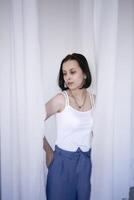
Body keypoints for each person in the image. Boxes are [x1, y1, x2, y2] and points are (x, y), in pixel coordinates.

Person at [43, 53, 96, 200]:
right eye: (64, 73)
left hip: (87, 165)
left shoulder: (95, 100)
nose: (68, 77)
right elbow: (34, 122)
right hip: (61, 164)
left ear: (84, 73)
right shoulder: (61, 99)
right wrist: (48, 152)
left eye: (72, 72)